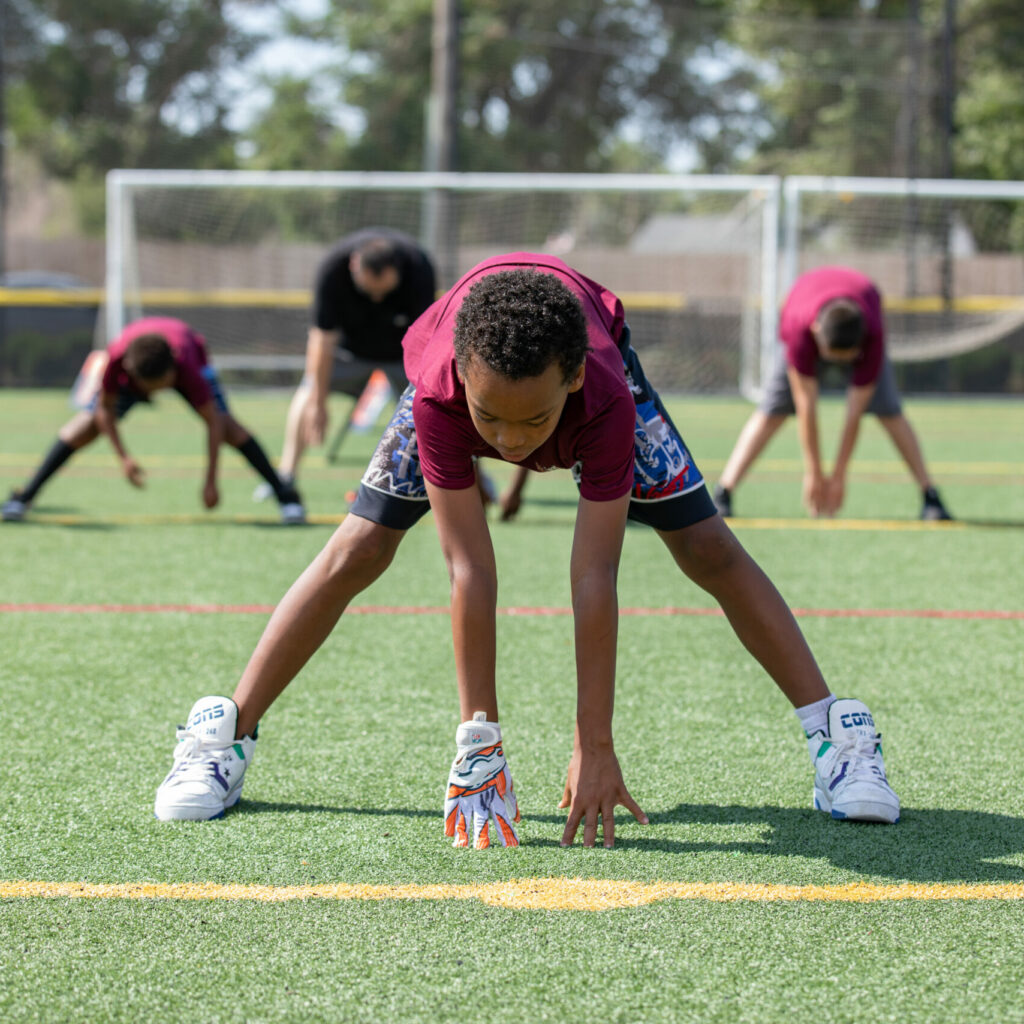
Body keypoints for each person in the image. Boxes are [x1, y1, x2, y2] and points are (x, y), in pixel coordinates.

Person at [155, 254, 901, 845]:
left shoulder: (604, 396)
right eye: (494, 423)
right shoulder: (441, 394)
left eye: (531, 421)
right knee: (358, 551)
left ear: (572, 379)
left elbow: (594, 574)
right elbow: (470, 569)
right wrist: (479, 739)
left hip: (597, 387)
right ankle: (224, 733)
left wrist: (594, 743)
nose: (510, 444)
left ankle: (837, 739)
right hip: (454, 394)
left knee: (708, 548)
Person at [1, 317, 305, 524]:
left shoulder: (187, 367)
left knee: (229, 427)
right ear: (133, 376)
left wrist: (210, 481)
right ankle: (24, 496)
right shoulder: (117, 361)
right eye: (151, 389)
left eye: (161, 386)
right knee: (85, 425)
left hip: (190, 351)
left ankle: (285, 495)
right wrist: (123, 458)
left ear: (171, 376)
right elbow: (103, 410)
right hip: (138, 358)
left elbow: (214, 423)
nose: (158, 394)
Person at [713, 265, 953, 521]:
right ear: (817, 332)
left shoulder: (872, 335)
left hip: (862, 313)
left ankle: (930, 495)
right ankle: (723, 493)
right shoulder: (799, 330)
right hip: (801, 313)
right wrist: (813, 473)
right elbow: (806, 406)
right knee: (773, 411)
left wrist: (839, 476)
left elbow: (854, 414)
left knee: (890, 412)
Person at [253, 228, 437, 500]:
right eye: (368, 291)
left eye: (383, 292)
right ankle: (286, 474)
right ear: (354, 266)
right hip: (349, 352)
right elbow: (321, 340)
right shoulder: (332, 269)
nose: (376, 299)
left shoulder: (418, 267)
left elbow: (427, 337)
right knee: (307, 392)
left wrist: (425, 390)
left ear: (397, 272)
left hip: (404, 353)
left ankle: (470, 480)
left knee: (438, 403)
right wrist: (318, 403)